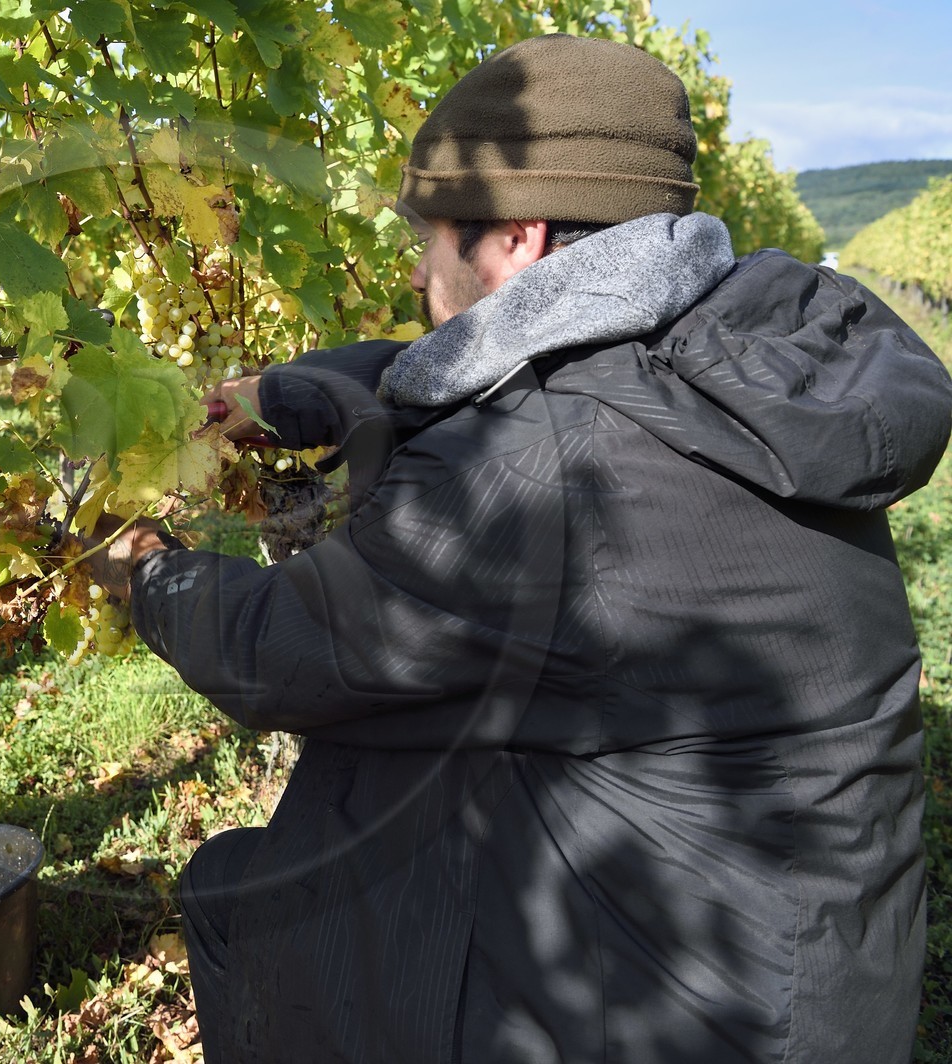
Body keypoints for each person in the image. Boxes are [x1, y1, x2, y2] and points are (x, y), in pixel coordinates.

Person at [93, 33, 952, 1063]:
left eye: (430, 240)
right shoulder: (728, 353)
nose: (417, 271)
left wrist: (148, 569)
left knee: (257, 892)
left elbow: (280, 650)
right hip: (807, 959)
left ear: (518, 237)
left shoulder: (536, 476)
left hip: (693, 1024)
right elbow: (488, 369)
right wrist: (282, 395)